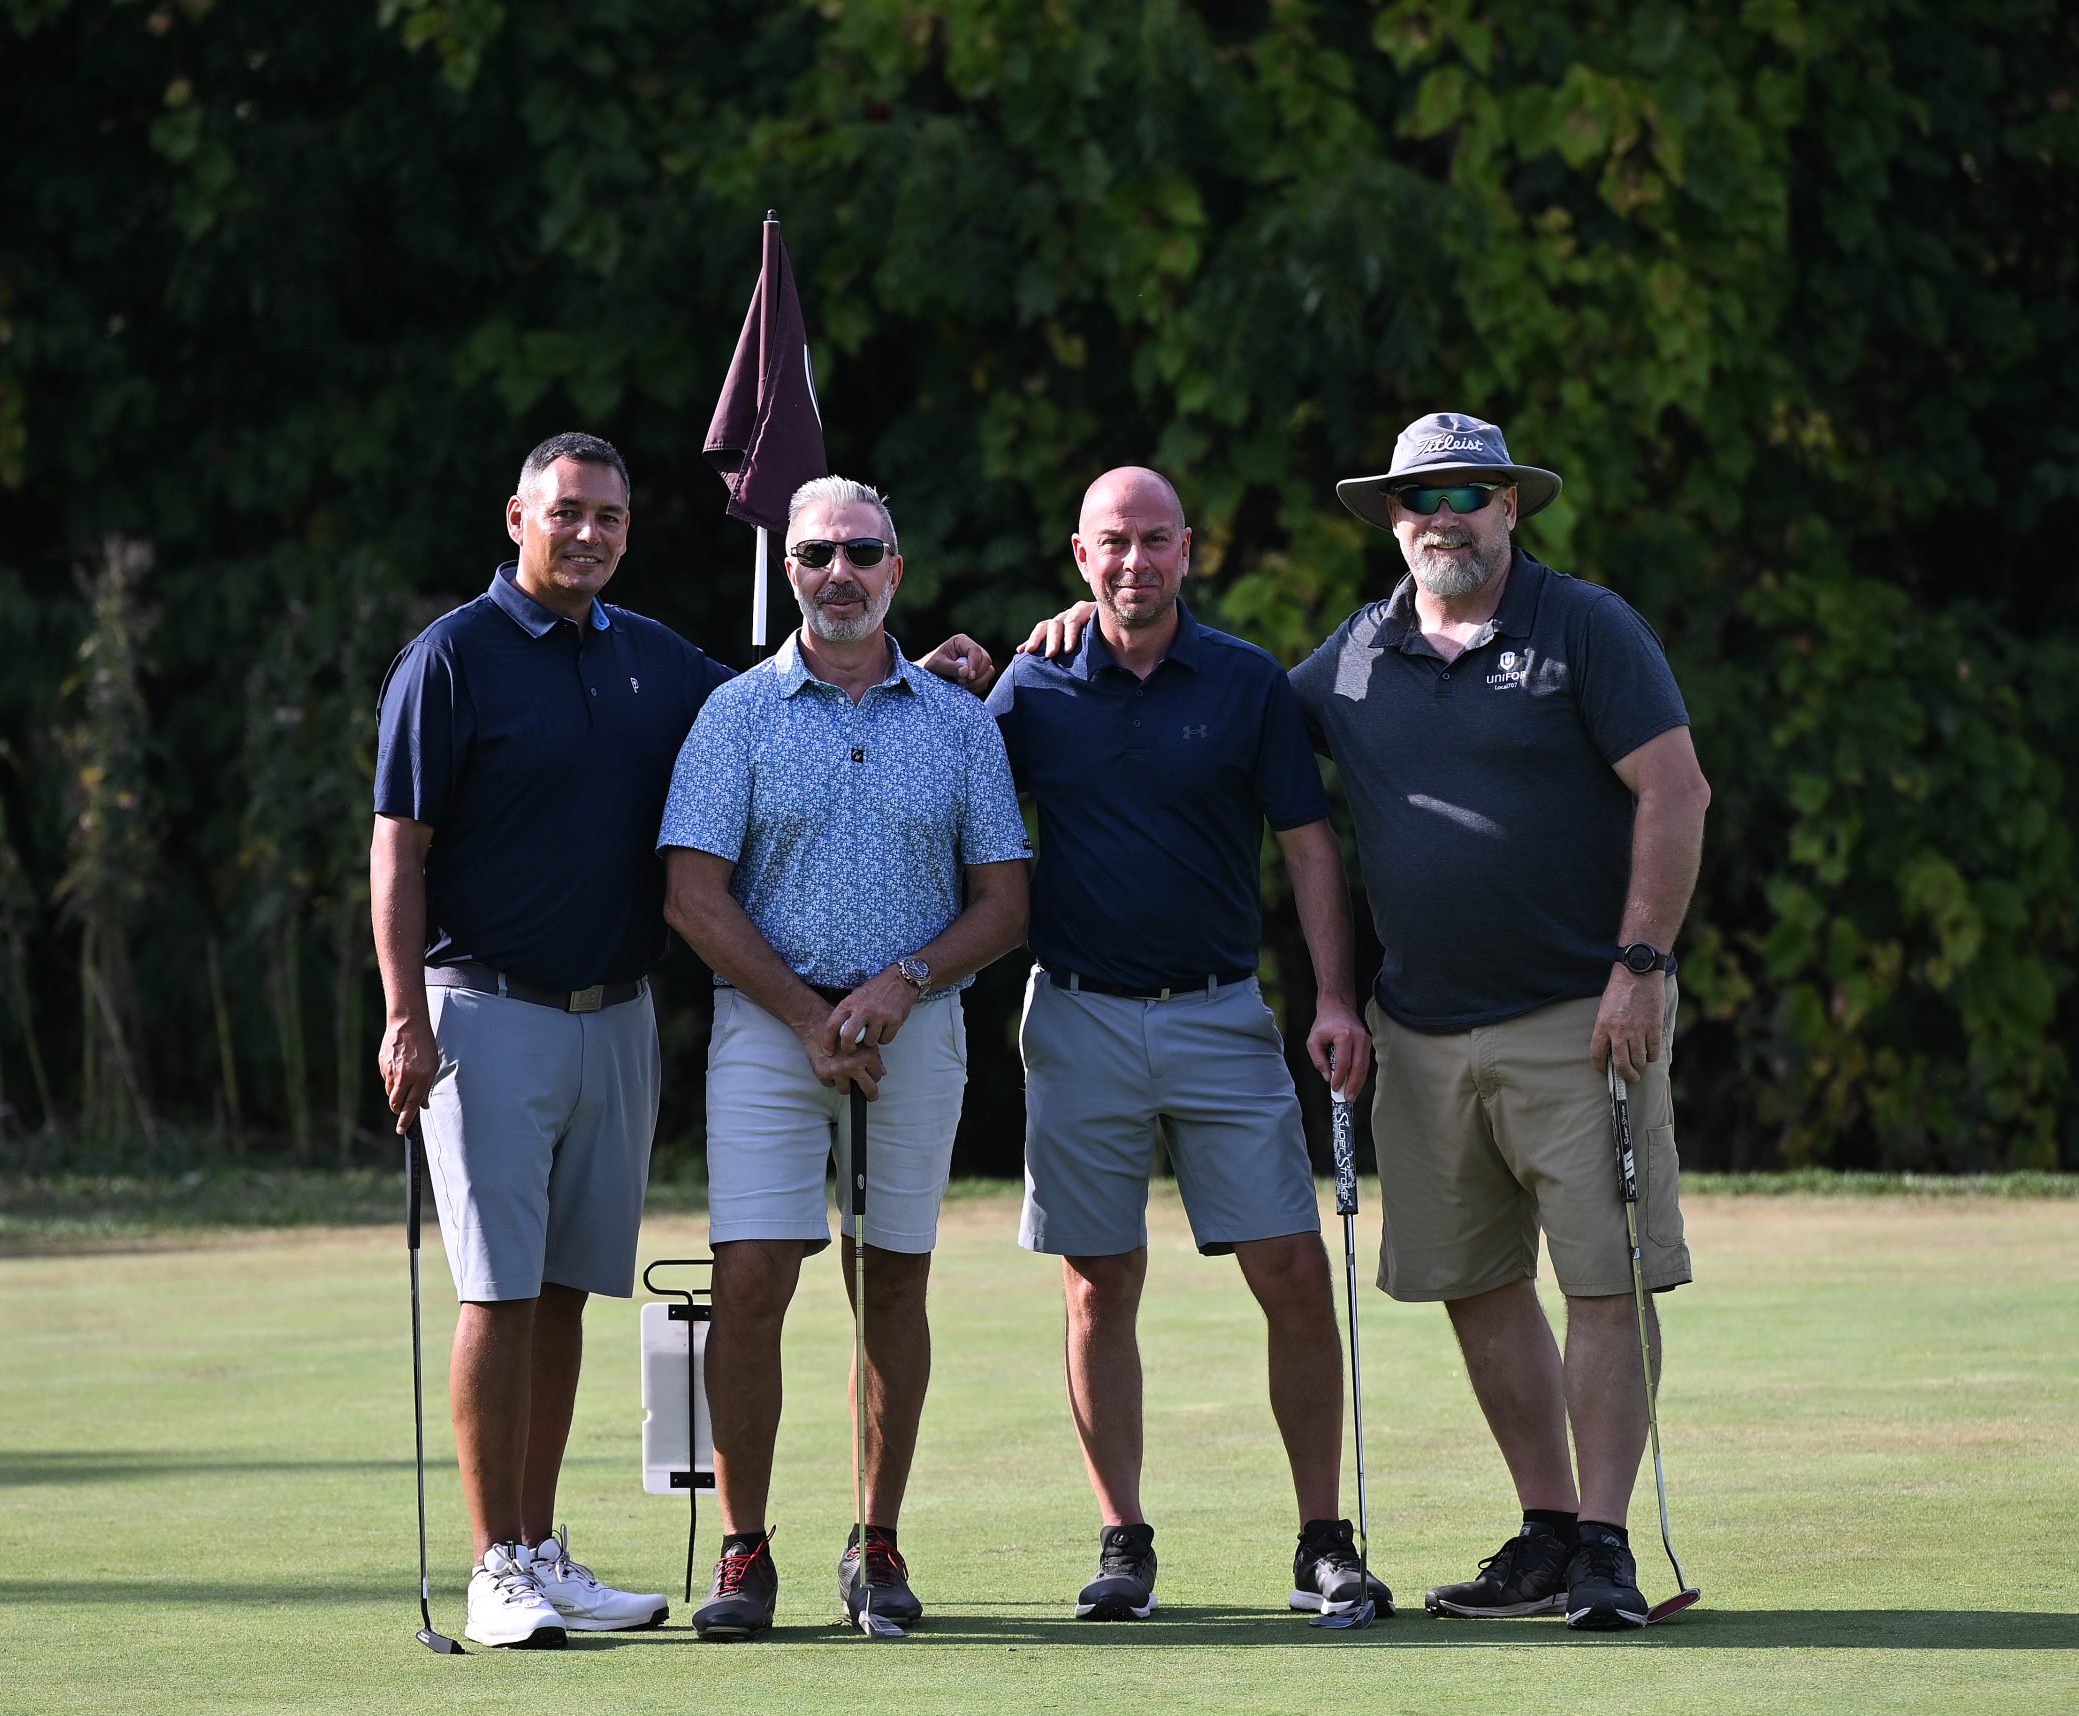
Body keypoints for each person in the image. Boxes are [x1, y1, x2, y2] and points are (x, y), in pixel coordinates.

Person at [1023, 412, 1711, 1630]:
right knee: (1476, 1283)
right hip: (1424, 1029)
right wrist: (1066, 629)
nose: (1443, 516)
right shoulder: (1348, 657)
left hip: (1581, 1012)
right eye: (1418, 498)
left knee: (1602, 1281)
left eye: (1467, 493)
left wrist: (1643, 962)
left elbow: (1675, 787)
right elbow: (1202, 701)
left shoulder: (1584, 626)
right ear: (1390, 519)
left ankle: (1606, 1545)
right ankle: (1549, 1530)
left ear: (1509, 505)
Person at [373, 435, 997, 1651]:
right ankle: (494, 1563)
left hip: (612, 1015)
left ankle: (539, 1548)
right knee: (496, 1286)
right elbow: (398, 844)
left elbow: (816, 677)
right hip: (481, 1007)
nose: (588, 533)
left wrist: (937, 667)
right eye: (567, 512)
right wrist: (403, 1014)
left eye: (609, 515)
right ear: (517, 517)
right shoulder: (451, 655)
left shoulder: (651, 659)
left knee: (564, 1290)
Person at [985, 466, 1394, 1622]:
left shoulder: (1245, 679)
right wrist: (963, 665)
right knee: (1096, 1281)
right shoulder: (1034, 683)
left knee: (1293, 1270)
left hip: (1219, 1012)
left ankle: (1322, 1537)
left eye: (1154, 539)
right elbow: (946, 796)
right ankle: (1122, 1539)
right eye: (1113, 541)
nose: (1134, 560)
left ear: (1187, 549)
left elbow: (1307, 845)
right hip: (1077, 1013)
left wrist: (1334, 997)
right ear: (1080, 554)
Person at [660, 474, 1030, 1641]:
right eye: (816, 552)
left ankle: (877, 1537)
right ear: (788, 571)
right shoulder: (735, 713)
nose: (839, 572)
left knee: (893, 1280)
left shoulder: (959, 719)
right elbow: (691, 893)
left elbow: (1004, 901)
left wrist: (900, 983)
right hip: (768, 1033)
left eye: (862, 552)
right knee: (750, 1276)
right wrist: (809, 1016)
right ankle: (743, 1546)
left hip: (914, 1031)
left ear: (895, 571)